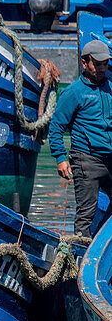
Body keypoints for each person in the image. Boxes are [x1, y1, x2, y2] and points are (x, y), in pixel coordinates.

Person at [50, 39, 112, 237]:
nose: (102, 68)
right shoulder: (74, 92)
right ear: (85, 63)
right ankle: (79, 257)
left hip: (109, 157)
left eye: (105, 64)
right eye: (97, 64)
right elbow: (56, 127)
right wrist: (61, 158)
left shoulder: (110, 87)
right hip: (86, 159)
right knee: (86, 213)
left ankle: (99, 241)